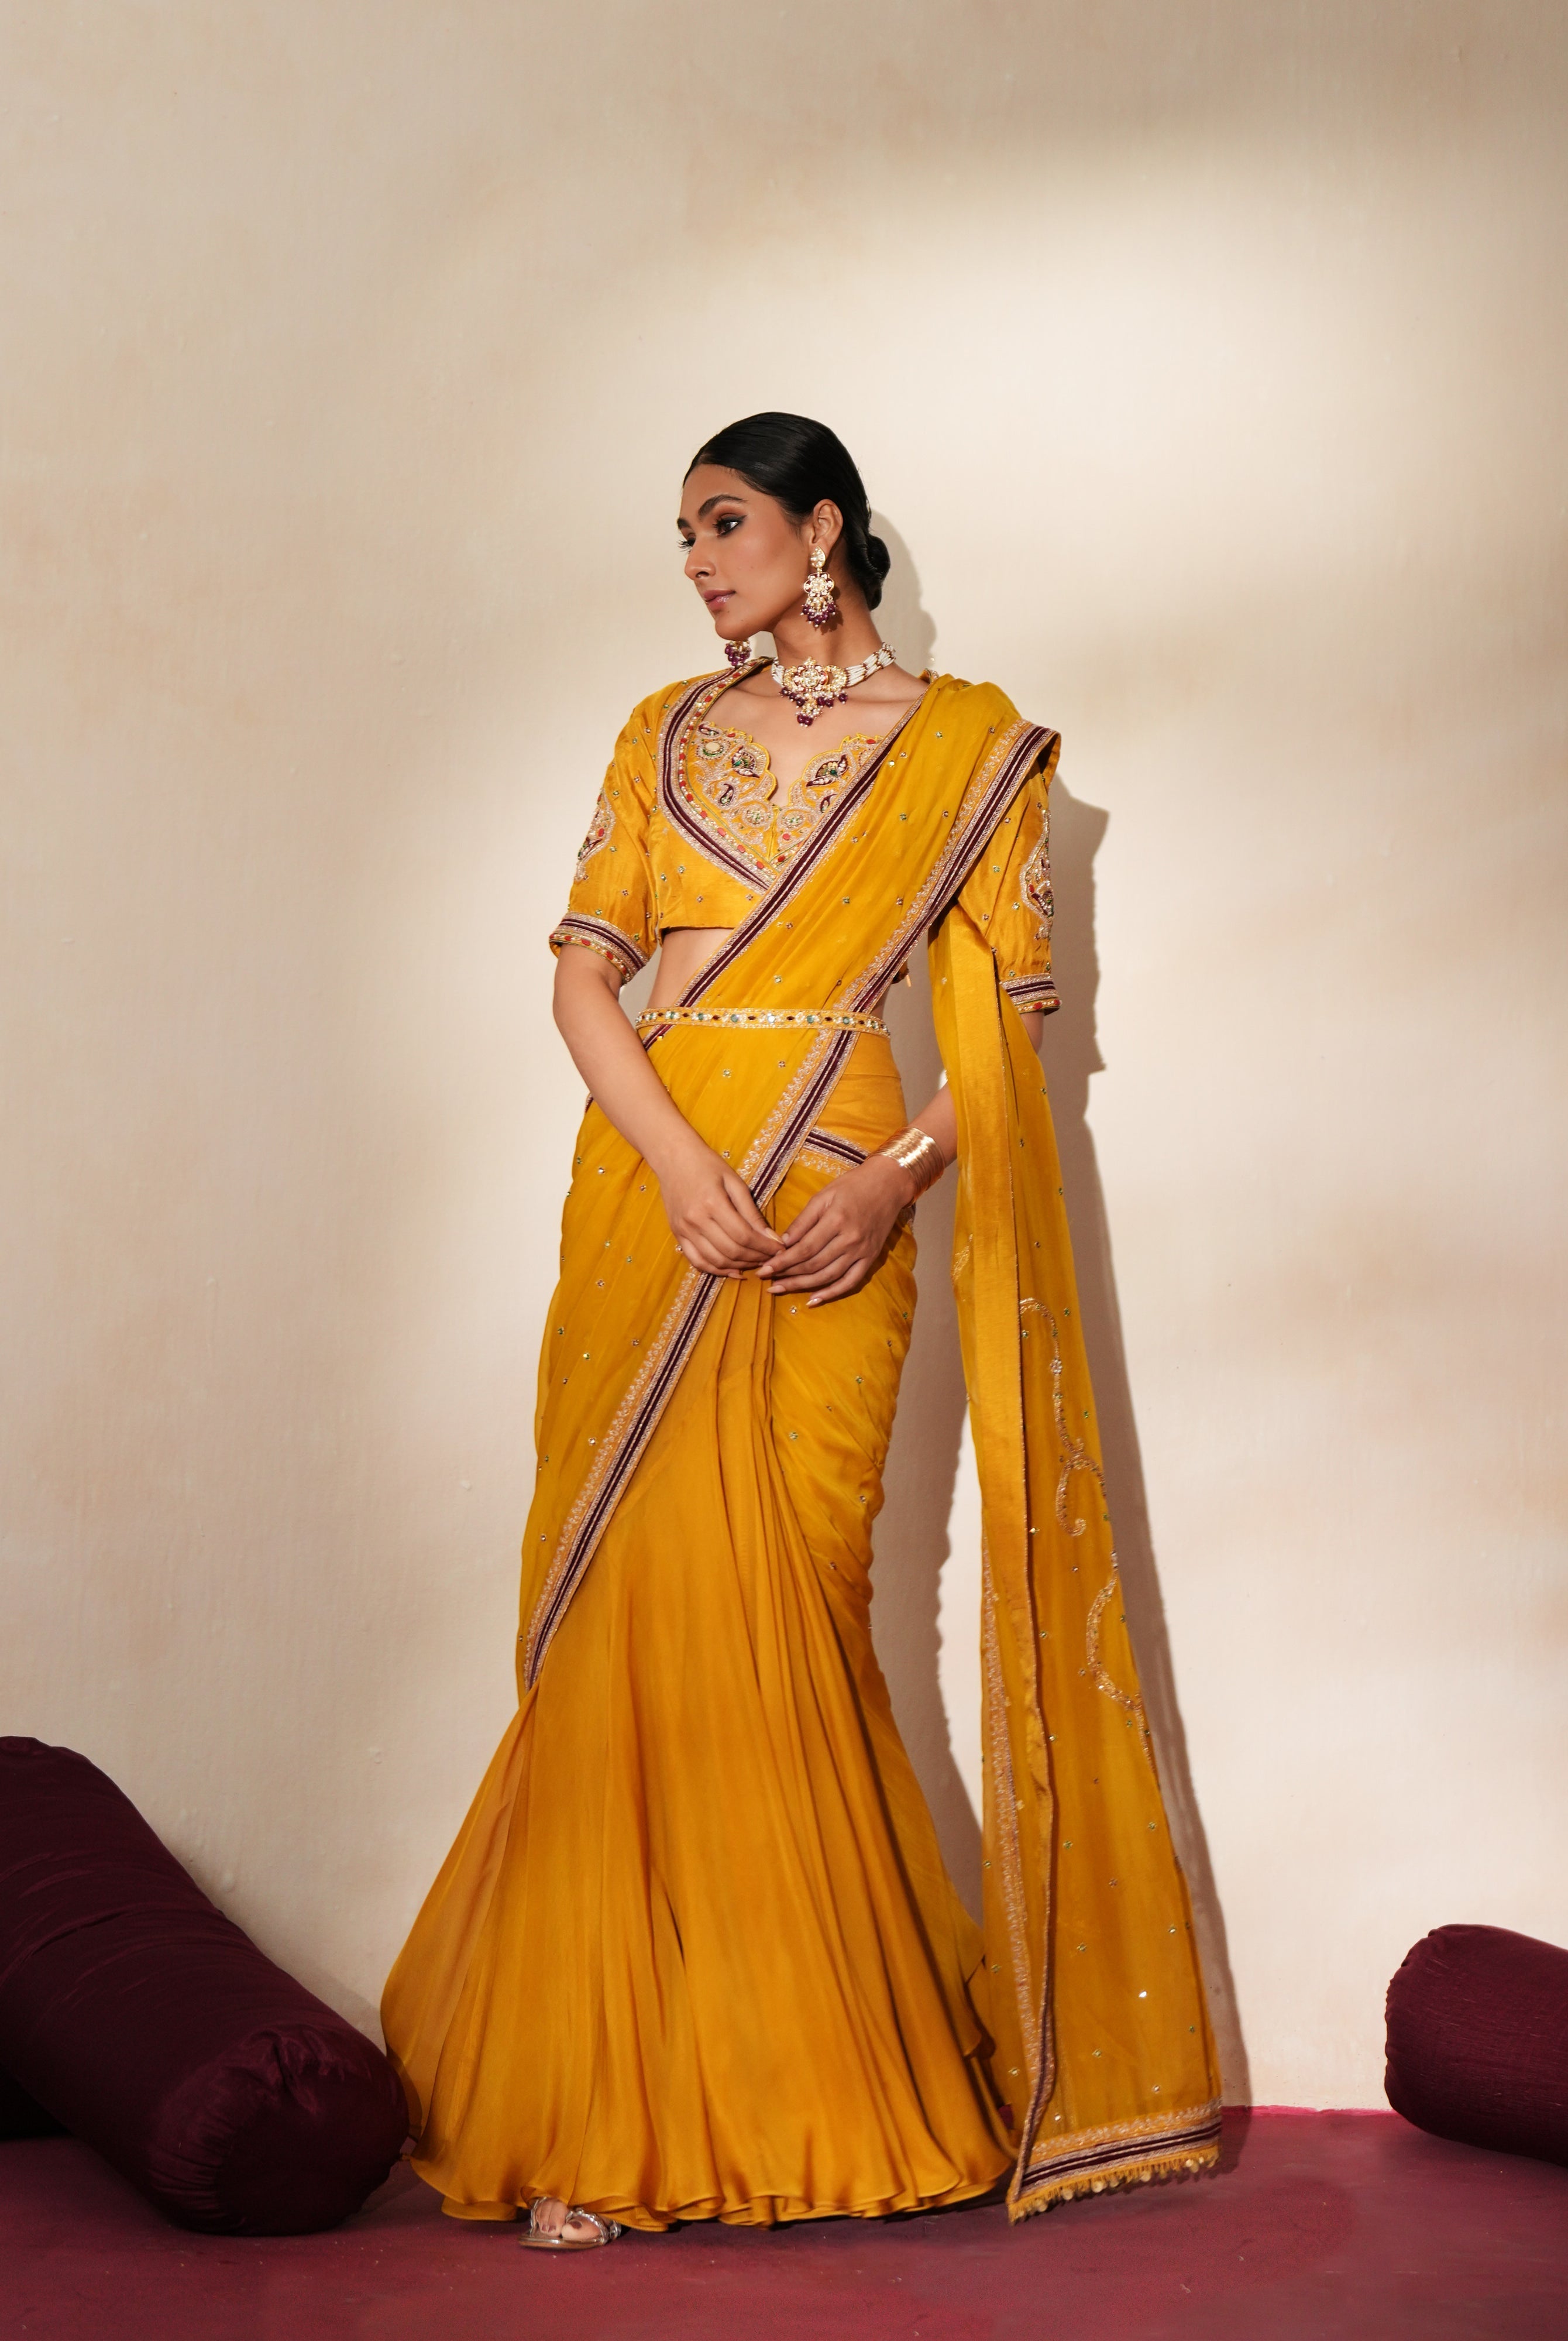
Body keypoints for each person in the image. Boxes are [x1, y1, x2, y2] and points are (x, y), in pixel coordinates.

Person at [381, 413, 1220, 2246]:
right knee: (633, 1618)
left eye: (725, 522)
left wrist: (892, 1183)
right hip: (654, 1189)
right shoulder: (660, 731)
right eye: (684, 535)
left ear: (822, 529)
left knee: (800, 1608)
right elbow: (584, 979)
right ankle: (602, 2113)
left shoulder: (968, 749)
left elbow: (1013, 1034)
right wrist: (680, 1163)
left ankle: (806, 2082)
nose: (697, 562)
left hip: (839, 1187)